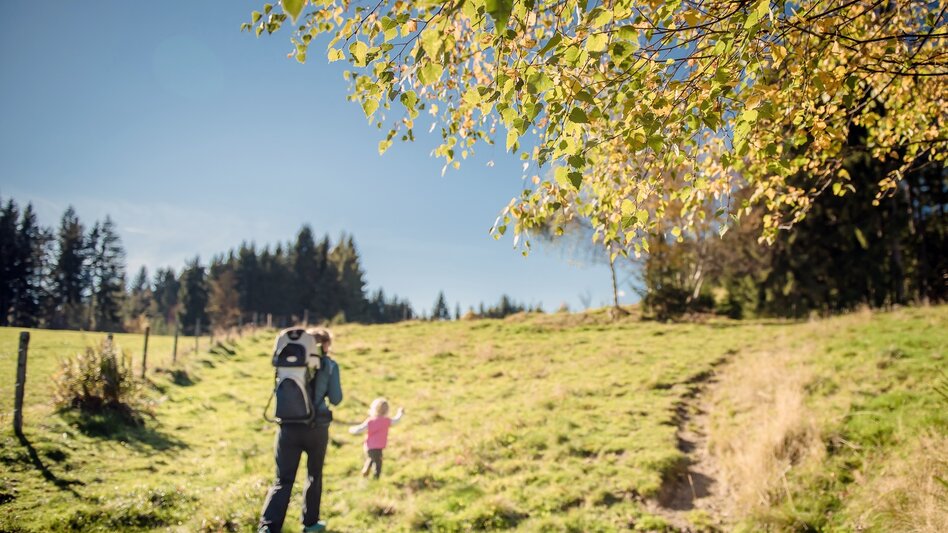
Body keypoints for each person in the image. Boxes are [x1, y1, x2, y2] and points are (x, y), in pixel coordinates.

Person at [258, 328, 342, 533]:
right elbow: (336, 399)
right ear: (326, 344)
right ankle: (310, 524)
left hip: (287, 427)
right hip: (316, 429)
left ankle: (268, 528)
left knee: (283, 479)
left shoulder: (288, 362)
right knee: (314, 475)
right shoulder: (329, 365)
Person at [348, 398, 404, 479]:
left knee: (371, 458)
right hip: (378, 447)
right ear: (387, 410)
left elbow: (360, 428)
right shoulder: (386, 421)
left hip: (368, 446)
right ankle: (376, 478)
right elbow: (396, 420)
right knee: (378, 463)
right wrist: (400, 413)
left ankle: (366, 469)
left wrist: (352, 430)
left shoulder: (370, 421)